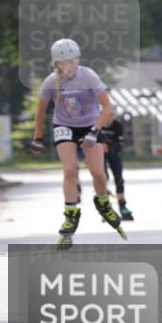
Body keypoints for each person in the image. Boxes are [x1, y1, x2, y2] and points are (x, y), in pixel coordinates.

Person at [30, 38, 126, 249]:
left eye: (72, 62)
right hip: (63, 125)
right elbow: (40, 110)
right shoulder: (50, 82)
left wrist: (94, 131)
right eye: (63, 63)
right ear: (56, 64)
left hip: (91, 124)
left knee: (98, 174)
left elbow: (107, 107)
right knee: (70, 170)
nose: (68, 67)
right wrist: (37, 137)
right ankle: (71, 212)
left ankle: (102, 201)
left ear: (78, 60)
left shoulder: (88, 76)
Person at [100, 115, 130, 220]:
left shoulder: (117, 125)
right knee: (103, 178)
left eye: (112, 115)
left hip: (114, 152)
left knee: (119, 178)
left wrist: (109, 145)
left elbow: (120, 143)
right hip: (99, 154)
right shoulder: (97, 123)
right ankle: (105, 206)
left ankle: (122, 205)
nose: (109, 118)